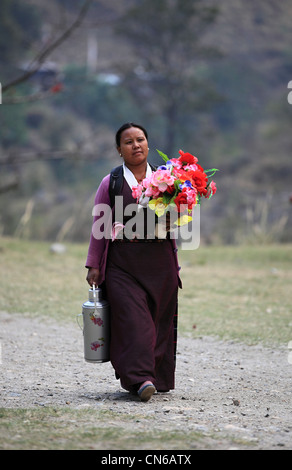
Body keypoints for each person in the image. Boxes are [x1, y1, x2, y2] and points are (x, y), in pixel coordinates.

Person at [85, 123, 181, 402]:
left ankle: (155, 377)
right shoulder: (111, 183)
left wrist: (175, 260)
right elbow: (98, 226)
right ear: (119, 150)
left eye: (140, 140)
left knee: (158, 321)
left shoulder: (168, 181)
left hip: (160, 262)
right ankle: (140, 379)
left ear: (148, 145)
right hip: (122, 264)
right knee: (133, 322)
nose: (135, 145)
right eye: (128, 142)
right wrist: (94, 264)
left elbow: (175, 222)